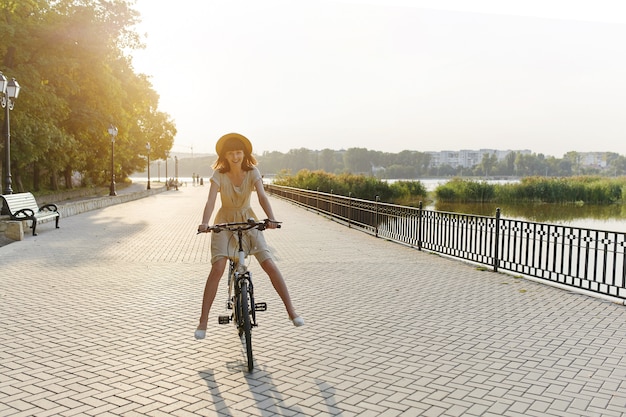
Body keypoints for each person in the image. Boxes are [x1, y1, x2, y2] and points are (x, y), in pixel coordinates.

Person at [195, 133, 304, 340]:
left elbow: (262, 196)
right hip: (224, 222)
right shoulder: (219, 174)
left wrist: (271, 218)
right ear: (224, 156)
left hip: (249, 220)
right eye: (230, 154)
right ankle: (203, 321)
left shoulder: (252, 171)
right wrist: (204, 223)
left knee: (269, 264)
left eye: (238, 152)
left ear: (244, 154)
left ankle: (291, 311)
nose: (235, 157)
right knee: (218, 268)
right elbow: (210, 201)